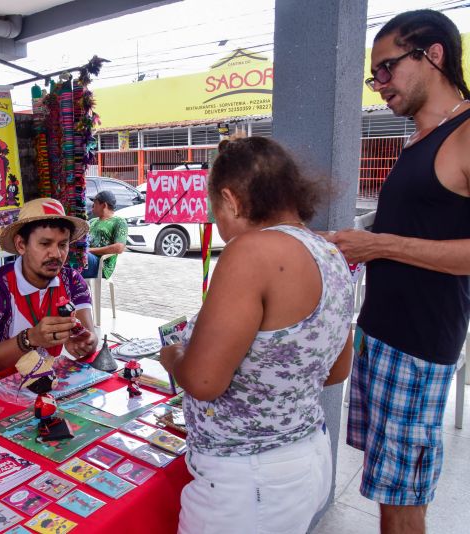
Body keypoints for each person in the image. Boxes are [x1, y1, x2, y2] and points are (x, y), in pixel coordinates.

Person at [159, 137, 353, 534]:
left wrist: (173, 355)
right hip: (305, 456)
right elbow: (335, 371)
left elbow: (203, 381)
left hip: (248, 481)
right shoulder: (330, 252)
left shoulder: (249, 252)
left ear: (230, 200)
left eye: (216, 211)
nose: (218, 224)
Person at [326, 10, 470, 534]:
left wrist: (380, 244)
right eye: (374, 75)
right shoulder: (418, 139)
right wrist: (350, 243)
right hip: (382, 333)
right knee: (387, 485)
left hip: (419, 343)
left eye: (386, 69)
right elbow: (419, 223)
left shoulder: (466, 132)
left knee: (402, 500)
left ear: (432, 54)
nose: (379, 85)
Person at [0, 198, 98, 396]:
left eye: (63, 245)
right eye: (45, 244)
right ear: (21, 245)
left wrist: (85, 342)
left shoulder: (72, 280)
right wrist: (31, 338)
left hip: (46, 385)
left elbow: (90, 337)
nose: (56, 254)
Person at [80, 190, 128, 279]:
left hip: (101, 265)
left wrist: (89, 250)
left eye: (95, 203)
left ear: (104, 205)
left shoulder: (119, 222)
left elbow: (119, 248)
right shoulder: (92, 221)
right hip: (87, 259)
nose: (92, 206)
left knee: (77, 257)